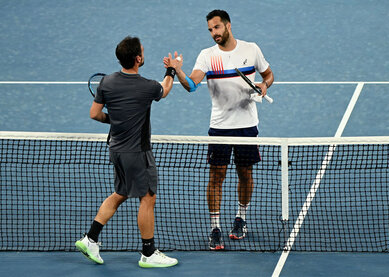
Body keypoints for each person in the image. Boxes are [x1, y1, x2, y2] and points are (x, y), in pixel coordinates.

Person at [169, 10, 274, 250]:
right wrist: (178, 71)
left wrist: (263, 85)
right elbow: (192, 85)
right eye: (210, 30)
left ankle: (241, 219)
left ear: (228, 25)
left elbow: (268, 75)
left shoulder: (251, 49)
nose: (213, 33)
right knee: (216, 177)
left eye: (216, 28)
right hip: (220, 128)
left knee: (245, 175)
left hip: (247, 126)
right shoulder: (207, 56)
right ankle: (215, 227)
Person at [75, 36, 181, 267]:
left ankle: (90, 238)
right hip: (138, 153)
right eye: (142, 51)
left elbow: (94, 114)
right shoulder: (147, 86)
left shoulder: (107, 83)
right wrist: (172, 70)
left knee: (121, 193)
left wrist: (115, 121)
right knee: (148, 197)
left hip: (116, 150)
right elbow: (164, 90)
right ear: (138, 59)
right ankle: (148, 253)